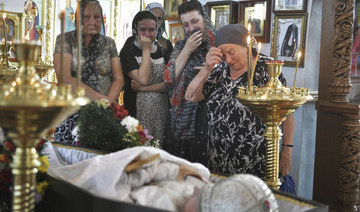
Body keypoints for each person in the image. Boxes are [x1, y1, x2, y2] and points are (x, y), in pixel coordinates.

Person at [185, 24, 294, 178]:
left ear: (246, 46)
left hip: (256, 159)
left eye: (231, 52)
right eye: (223, 55)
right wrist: (207, 68)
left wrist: (287, 149)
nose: (228, 59)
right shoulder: (219, 71)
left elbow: (287, 112)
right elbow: (191, 96)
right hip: (219, 158)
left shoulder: (267, 69)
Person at [53, 0, 124, 144]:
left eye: (97, 17)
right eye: (87, 17)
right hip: (73, 112)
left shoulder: (109, 43)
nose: (92, 21)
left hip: (105, 113)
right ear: (78, 19)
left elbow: (118, 78)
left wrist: (108, 104)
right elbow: (65, 79)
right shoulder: (65, 40)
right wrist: (102, 101)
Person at [163, 0, 215, 166]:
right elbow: (168, 80)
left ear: (204, 19)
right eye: (186, 25)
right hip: (181, 119)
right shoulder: (180, 46)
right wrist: (187, 50)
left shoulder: (218, 44)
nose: (191, 29)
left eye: (195, 22)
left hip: (210, 119)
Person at [119, 11, 169, 146]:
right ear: (135, 30)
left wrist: (143, 89)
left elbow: (168, 83)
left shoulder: (165, 48)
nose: (147, 34)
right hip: (137, 110)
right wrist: (146, 50)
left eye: (151, 30)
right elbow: (143, 79)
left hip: (161, 109)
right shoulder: (127, 51)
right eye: (143, 30)